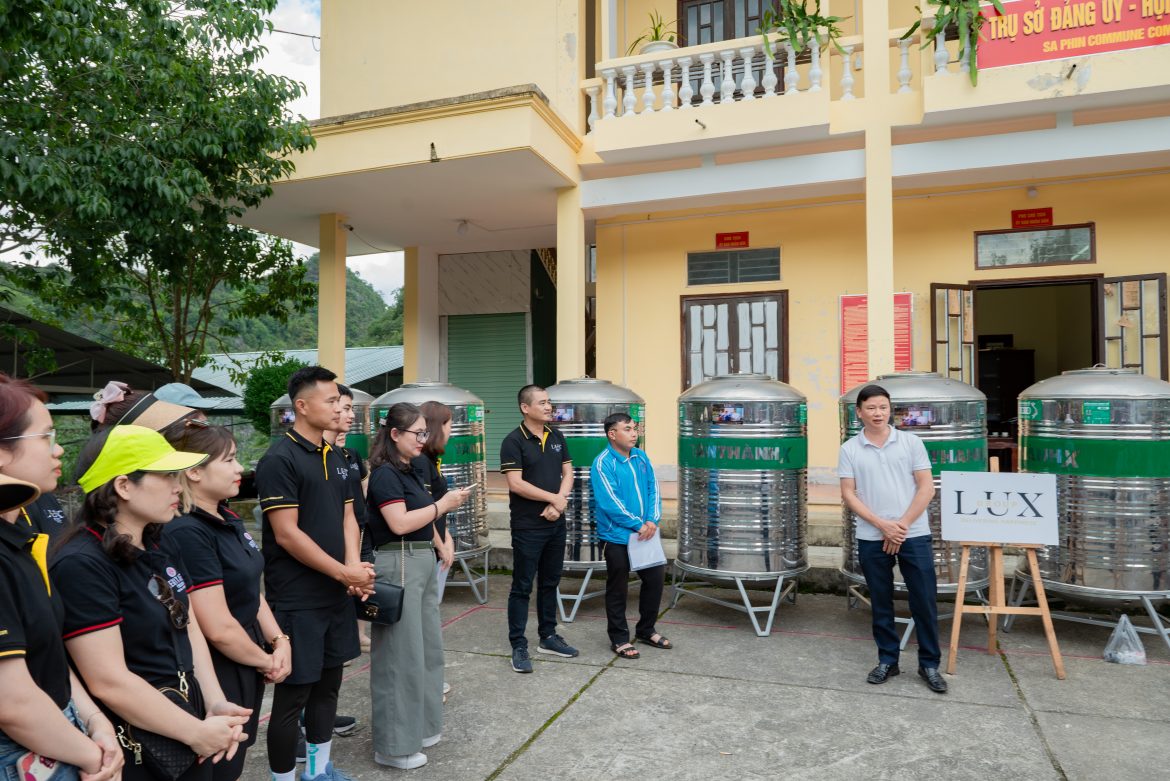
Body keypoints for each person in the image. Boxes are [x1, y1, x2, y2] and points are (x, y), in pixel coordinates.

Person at [51, 425, 252, 780]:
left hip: (187, 719)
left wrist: (215, 702)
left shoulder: (159, 541)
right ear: (124, 485)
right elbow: (108, 680)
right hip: (138, 743)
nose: (178, 486)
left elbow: (187, 626)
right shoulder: (82, 563)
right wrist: (196, 732)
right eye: (167, 475)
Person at [0, 373, 124, 781]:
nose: (58, 450)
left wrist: (95, 723)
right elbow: (12, 703)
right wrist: (91, 757)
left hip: (61, 731)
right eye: (46, 437)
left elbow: (45, 653)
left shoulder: (24, 537)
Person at [254, 366, 373, 781]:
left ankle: (319, 771)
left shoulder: (338, 456)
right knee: (293, 697)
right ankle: (283, 777)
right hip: (298, 598)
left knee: (328, 690)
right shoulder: (279, 459)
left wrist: (354, 570)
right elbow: (287, 536)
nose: (338, 407)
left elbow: (348, 519)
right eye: (329, 400)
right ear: (301, 407)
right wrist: (345, 573)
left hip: (336, 593)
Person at [160, 422, 291, 780]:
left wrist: (280, 640)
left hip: (246, 655)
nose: (240, 469)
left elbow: (250, 586)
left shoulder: (226, 517)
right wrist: (266, 659)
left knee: (236, 754)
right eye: (230, 459)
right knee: (221, 763)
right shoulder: (187, 530)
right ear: (194, 471)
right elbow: (216, 627)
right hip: (217, 666)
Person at [365, 403, 471, 770]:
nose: (423, 440)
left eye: (426, 432)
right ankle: (393, 745)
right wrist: (444, 505)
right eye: (418, 434)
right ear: (394, 434)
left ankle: (421, 728)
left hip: (420, 559)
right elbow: (398, 523)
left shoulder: (409, 470)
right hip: (400, 560)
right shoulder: (385, 475)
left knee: (426, 649)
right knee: (400, 655)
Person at [838, 384, 947, 694]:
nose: (878, 413)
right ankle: (888, 659)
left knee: (923, 600)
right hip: (872, 535)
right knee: (881, 601)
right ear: (859, 412)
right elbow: (848, 492)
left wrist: (900, 526)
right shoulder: (850, 449)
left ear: (890, 410)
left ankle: (929, 665)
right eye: (871, 408)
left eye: (883, 407)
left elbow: (926, 488)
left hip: (913, 533)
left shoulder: (911, 442)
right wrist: (881, 525)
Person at [499, 384, 576, 674]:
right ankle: (518, 644)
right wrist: (552, 498)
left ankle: (548, 636)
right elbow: (516, 484)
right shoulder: (513, 441)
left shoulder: (557, 436)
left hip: (555, 522)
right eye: (542, 402)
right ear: (525, 407)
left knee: (550, 582)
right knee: (521, 586)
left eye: (549, 402)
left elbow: (568, 472)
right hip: (528, 526)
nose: (548, 407)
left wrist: (559, 503)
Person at [590, 412, 672, 659]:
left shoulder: (641, 457)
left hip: (645, 533)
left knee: (655, 580)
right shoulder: (603, 463)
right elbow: (609, 502)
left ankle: (646, 630)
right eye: (627, 429)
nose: (634, 433)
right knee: (618, 587)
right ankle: (619, 638)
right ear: (612, 434)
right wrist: (637, 525)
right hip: (617, 536)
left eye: (635, 428)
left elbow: (653, 489)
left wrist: (651, 520)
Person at [418, 400, 458, 702]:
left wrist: (448, 537)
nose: (452, 429)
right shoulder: (420, 463)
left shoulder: (432, 460)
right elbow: (423, 509)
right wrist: (440, 543)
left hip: (437, 544)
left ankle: (429, 679)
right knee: (422, 621)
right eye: (448, 424)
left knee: (430, 618)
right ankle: (424, 683)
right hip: (426, 549)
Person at [329, 384, 373, 655]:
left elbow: (364, 483)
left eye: (350, 408)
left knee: (361, 580)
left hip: (359, 526)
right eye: (344, 408)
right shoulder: (319, 457)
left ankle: (359, 634)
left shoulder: (351, 455)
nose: (350, 415)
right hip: (337, 533)